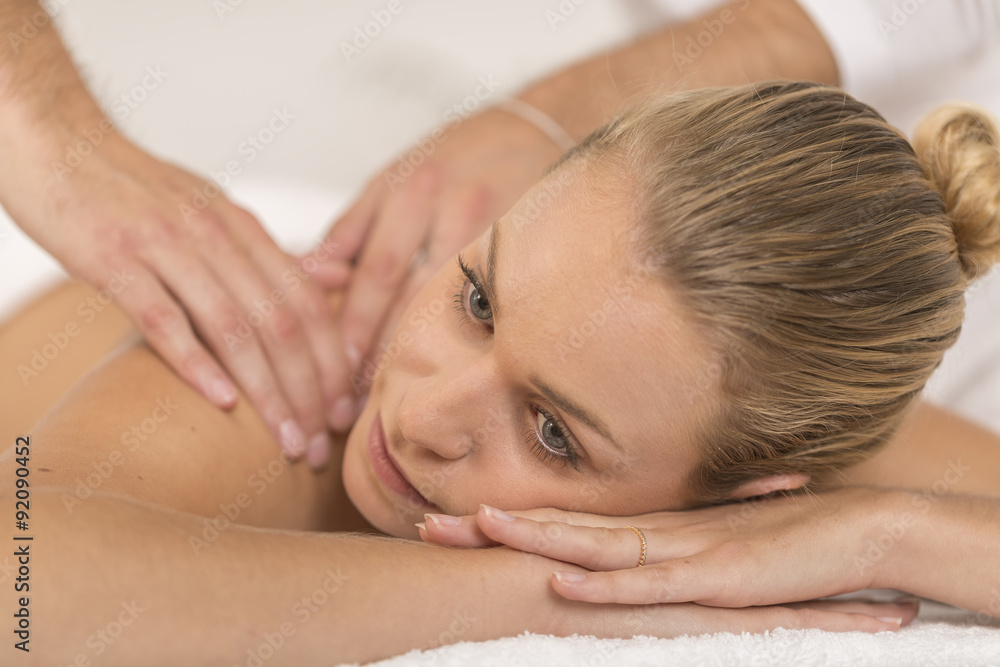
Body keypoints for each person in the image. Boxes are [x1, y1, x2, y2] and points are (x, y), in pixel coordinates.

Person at [3, 80, 1000, 664]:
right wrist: (546, 595)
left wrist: (882, 534)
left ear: (747, 497)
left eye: (553, 431)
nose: (425, 411)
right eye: (478, 298)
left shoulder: (766, 414)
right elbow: (22, 586)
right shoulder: (300, 361)